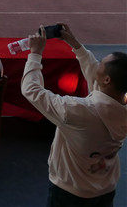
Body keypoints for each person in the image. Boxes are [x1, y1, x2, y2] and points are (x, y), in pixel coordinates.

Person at [22, 23, 127, 207]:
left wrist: (35, 54)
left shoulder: (77, 110)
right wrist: (75, 44)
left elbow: (32, 90)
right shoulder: (119, 104)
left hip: (71, 193)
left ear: (107, 80)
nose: (97, 64)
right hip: (105, 188)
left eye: (101, 64)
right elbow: (96, 77)